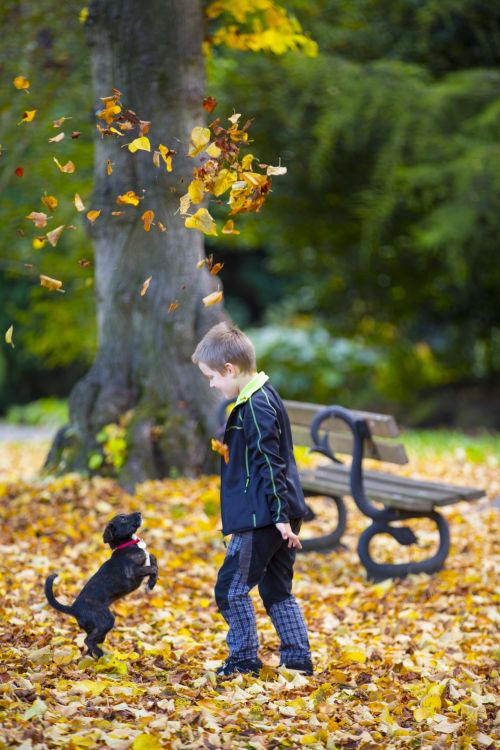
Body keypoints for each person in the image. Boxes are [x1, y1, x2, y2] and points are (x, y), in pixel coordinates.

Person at [192, 321, 313, 677]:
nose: (212, 384)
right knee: (277, 588)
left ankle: (243, 660)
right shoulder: (260, 396)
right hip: (276, 513)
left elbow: (269, 464)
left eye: (212, 377)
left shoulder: (256, 405)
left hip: (266, 516)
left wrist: (276, 517)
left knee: (230, 588)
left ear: (229, 369)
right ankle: (297, 659)